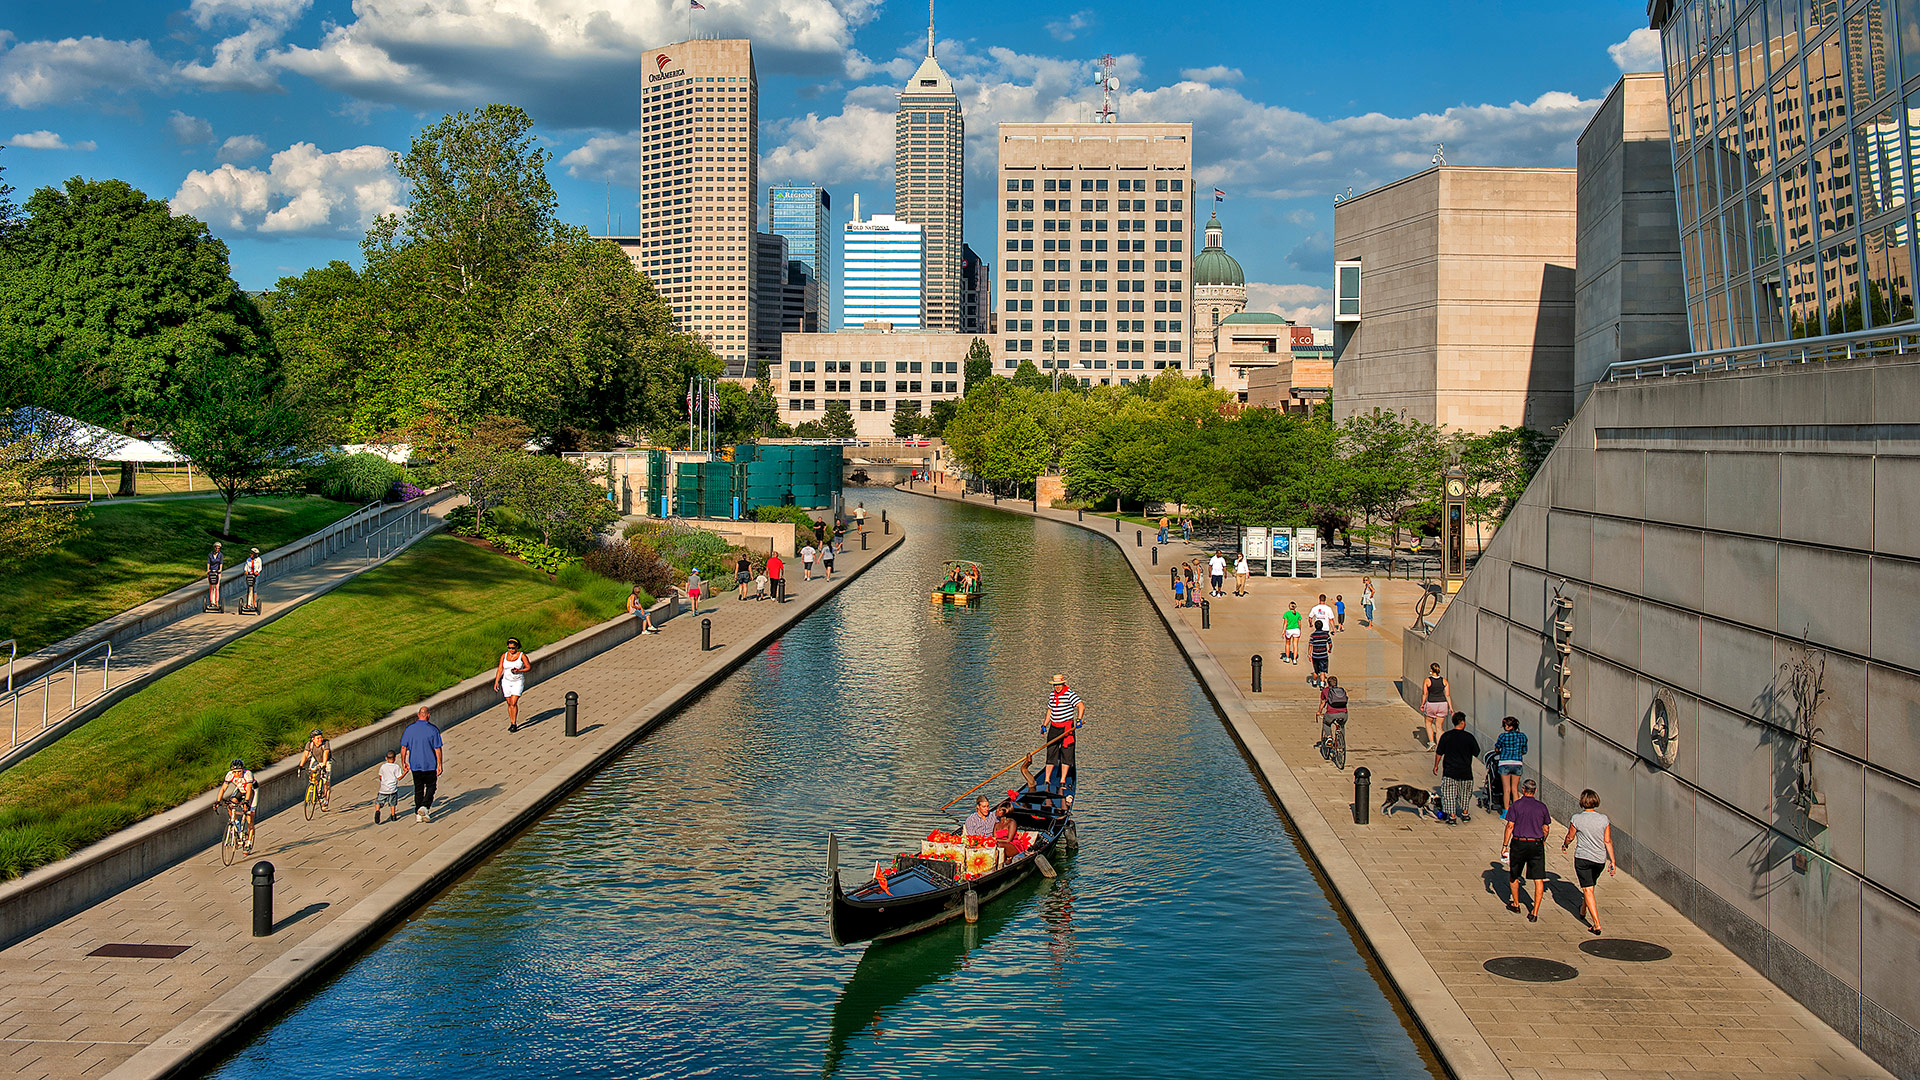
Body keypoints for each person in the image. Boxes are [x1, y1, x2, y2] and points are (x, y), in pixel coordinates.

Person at [1562, 789, 1618, 934]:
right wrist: (1612, 861)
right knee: (1590, 887)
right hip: (1599, 859)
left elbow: (1570, 836)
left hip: (1582, 858)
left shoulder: (1576, 818)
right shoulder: (1603, 819)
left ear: (1582, 801)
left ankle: (1596, 924)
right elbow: (1607, 840)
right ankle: (1582, 909)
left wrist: (1565, 844)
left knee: (1587, 889)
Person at [1502, 778, 1553, 920]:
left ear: (1523, 790)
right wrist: (1543, 840)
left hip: (1519, 843)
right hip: (1536, 844)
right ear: (1535, 791)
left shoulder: (1516, 805)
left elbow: (1510, 826)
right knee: (1538, 878)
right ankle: (1534, 912)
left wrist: (1505, 845)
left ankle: (1516, 904)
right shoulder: (1542, 807)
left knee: (1514, 874)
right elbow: (1546, 828)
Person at [1041, 674, 1085, 802]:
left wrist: (1079, 719)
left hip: (1067, 728)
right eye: (1055, 685)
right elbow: (1050, 711)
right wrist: (1044, 725)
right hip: (1054, 728)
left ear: (1063, 684)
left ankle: (1062, 781)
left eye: (1059, 685)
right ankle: (1047, 780)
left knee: (1067, 753)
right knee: (1051, 752)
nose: (1057, 687)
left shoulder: (1070, 694)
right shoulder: (1052, 695)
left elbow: (1081, 705)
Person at [1432, 712, 1480, 825]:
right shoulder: (1469, 737)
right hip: (1465, 771)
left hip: (1450, 771)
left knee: (1449, 794)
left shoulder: (1446, 736)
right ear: (1462, 722)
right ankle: (1465, 814)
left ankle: (1452, 817)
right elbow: (1476, 752)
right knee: (1465, 793)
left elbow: (1439, 752)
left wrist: (1436, 766)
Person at [398, 707, 444, 823]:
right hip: (429, 764)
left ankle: (418, 813)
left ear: (418, 715)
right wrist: (440, 764)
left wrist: (403, 762)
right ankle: (424, 807)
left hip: (415, 764)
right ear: (428, 715)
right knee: (431, 787)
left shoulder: (410, 729)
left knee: (418, 789)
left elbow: (403, 748)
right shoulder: (433, 730)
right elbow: (437, 749)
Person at [218, 757, 257, 853]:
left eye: (239, 771)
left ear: (242, 770)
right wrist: (218, 801)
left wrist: (246, 802)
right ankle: (235, 823)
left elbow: (248, 790)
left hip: (252, 791)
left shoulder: (247, 774)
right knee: (230, 804)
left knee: (249, 816)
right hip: (240, 790)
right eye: (234, 772)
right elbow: (223, 789)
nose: (236, 774)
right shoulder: (230, 775)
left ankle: (248, 842)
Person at [495, 638, 531, 733]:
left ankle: (514, 723)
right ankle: (512, 722)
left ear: (517, 647)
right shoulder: (504, 656)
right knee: (509, 703)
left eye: (513, 648)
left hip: (517, 681)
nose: (511, 650)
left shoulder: (522, 656)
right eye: (509, 648)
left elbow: (528, 667)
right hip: (506, 682)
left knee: (514, 702)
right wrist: (496, 681)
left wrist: (519, 671)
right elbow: (500, 669)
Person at [1494, 715, 1529, 810]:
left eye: (1505, 725)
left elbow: (1497, 748)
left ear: (1510, 726)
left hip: (1504, 763)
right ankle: (1516, 812)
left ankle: (1506, 811)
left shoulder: (1503, 736)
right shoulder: (1522, 736)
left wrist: (1500, 751)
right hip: (1517, 763)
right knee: (1515, 789)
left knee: (1506, 789)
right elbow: (1524, 751)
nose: (1505, 727)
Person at [296, 728, 331, 811]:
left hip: (325, 761)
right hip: (315, 759)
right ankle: (313, 785)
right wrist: (300, 766)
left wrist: (324, 765)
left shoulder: (325, 743)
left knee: (326, 781)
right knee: (311, 771)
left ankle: (325, 800)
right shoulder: (309, 744)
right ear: (313, 739)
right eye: (318, 738)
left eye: (321, 737)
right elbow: (305, 754)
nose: (320, 740)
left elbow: (325, 753)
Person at [1317, 674, 1349, 765]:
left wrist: (1319, 711)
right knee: (1341, 725)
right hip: (1344, 713)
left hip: (1331, 713)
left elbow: (1323, 703)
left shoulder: (1325, 691)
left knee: (1326, 723)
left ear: (1328, 683)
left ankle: (1329, 737)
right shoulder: (1342, 691)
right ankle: (1341, 740)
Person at [1421, 662, 1452, 746]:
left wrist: (1422, 704)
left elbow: (1425, 693)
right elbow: (1447, 695)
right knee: (1439, 727)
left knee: (1428, 723)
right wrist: (1450, 707)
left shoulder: (1427, 680)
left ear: (1431, 670)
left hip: (1432, 703)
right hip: (1443, 704)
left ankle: (1431, 742)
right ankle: (1440, 745)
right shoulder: (1444, 680)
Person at [374, 749, 405, 824]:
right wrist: (405, 772)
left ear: (386, 758)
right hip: (392, 789)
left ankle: (377, 811)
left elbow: (380, 776)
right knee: (392, 803)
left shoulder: (383, 766)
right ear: (395, 758)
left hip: (383, 788)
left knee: (379, 801)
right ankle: (393, 815)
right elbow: (399, 777)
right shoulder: (396, 767)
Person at [1307, 620, 1333, 687]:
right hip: (1323, 655)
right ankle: (1322, 684)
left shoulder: (1313, 635)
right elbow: (1330, 643)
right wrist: (1330, 649)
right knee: (1322, 671)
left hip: (1315, 655)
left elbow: (1310, 645)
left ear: (1315, 627)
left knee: (1315, 670)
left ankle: (1315, 682)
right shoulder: (1326, 635)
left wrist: (1309, 654)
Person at [206, 541, 224, 607]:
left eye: (218, 548)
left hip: (217, 572)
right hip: (211, 572)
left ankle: (216, 602)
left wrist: (220, 569)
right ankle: (211, 601)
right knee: (211, 587)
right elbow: (208, 563)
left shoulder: (220, 555)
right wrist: (208, 570)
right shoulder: (210, 554)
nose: (217, 549)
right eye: (216, 548)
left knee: (216, 587)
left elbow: (221, 563)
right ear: (214, 548)